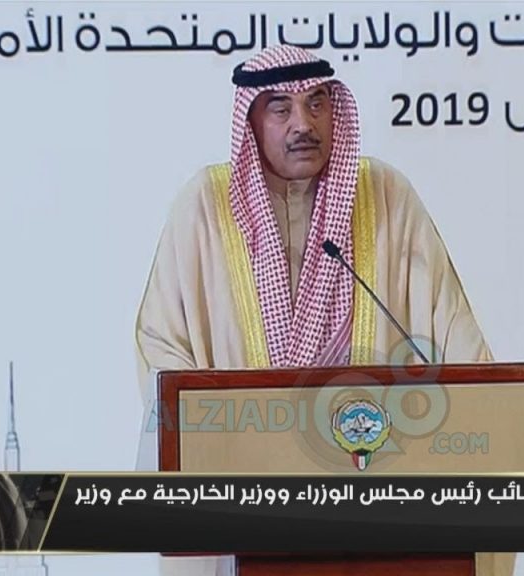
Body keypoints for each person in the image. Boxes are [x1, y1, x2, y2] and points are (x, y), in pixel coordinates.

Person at [134, 44, 503, 576]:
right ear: (251, 120)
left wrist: (487, 415)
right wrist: (226, 446)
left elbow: (449, 326)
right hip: (245, 498)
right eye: (281, 108)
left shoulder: (385, 196)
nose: (303, 124)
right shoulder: (206, 206)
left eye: (317, 103)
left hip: (377, 492)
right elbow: (162, 344)